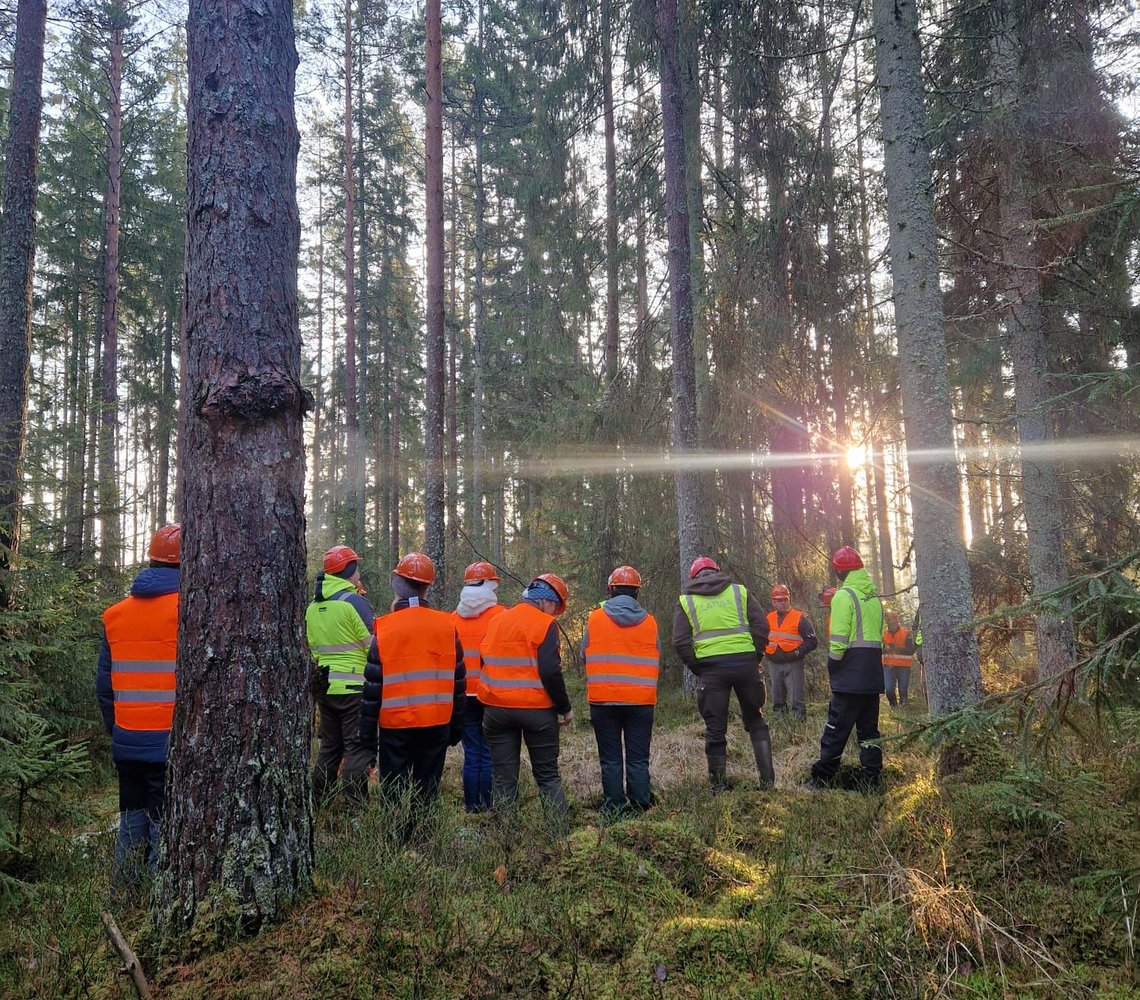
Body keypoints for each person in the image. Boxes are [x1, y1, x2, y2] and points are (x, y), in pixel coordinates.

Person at [97, 523, 181, 882]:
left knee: (131, 821)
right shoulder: (190, 610)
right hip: (170, 745)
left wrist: (117, 731)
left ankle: (125, 896)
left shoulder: (115, 615)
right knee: (164, 826)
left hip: (127, 741)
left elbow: (104, 688)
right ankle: (155, 899)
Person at [358, 553, 465, 812]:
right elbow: (459, 683)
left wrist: (368, 737)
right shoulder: (447, 626)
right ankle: (425, 843)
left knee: (394, 792)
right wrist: (456, 728)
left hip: (396, 726)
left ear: (396, 587)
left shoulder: (384, 628)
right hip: (436, 723)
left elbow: (372, 690)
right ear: (428, 587)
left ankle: (395, 844)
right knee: (427, 791)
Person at [673, 556, 775, 791]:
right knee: (756, 720)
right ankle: (768, 783)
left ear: (694, 577)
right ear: (717, 571)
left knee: (715, 728)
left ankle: (718, 787)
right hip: (745, 664)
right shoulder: (740, 592)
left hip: (711, 671)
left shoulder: (686, 601)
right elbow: (761, 626)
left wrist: (698, 668)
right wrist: (754, 656)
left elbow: (680, 641)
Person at [478, 573, 573, 817]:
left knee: (503, 779)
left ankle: (505, 840)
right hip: (537, 712)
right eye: (555, 607)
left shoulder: (497, 621)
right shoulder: (544, 624)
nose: (554, 614)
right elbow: (551, 671)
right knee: (548, 777)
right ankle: (558, 838)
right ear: (545, 601)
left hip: (496, 711)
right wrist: (564, 707)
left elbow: (484, 660)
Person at [582, 566, 660, 813]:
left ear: (611, 589)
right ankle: (640, 804)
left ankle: (614, 805)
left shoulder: (595, 619)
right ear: (637, 592)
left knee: (611, 758)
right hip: (640, 701)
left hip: (603, 701)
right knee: (638, 757)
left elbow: (584, 654)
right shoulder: (650, 622)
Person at [809, 546, 885, 793]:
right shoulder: (873, 597)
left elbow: (839, 640)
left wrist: (832, 663)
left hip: (850, 672)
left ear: (839, 571)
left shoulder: (843, 597)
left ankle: (822, 779)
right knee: (869, 732)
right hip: (872, 672)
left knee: (836, 729)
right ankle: (872, 781)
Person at [306, 544, 375, 809]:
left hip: (326, 689)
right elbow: (373, 647)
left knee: (329, 749)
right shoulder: (354, 603)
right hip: (354, 687)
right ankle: (356, 807)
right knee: (357, 747)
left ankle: (319, 804)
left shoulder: (313, 607)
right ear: (350, 570)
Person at [452, 560, 506, 813]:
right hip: (490, 693)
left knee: (472, 753)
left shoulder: (452, 619)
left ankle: (472, 807)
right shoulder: (501, 616)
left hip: (462, 695)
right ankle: (489, 805)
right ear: (489, 586)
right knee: (490, 753)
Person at [764, 584, 818, 722]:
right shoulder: (768, 618)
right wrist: (765, 652)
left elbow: (812, 641)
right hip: (774, 663)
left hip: (793, 663)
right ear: (773, 602)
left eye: (785, 599)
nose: (782, 602)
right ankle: (780, 724)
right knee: (777, 697)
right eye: (779, 600)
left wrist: (797, 653)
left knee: (796, 699)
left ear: (789, 599)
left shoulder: (799, 618)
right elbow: (761, 637)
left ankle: (798, 726)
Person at [882, 609, 916, 709]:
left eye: (893, 619)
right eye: (889, 620)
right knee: (888, 689)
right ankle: (894, 708)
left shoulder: (906, 633)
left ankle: (904, 710)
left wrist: (897, 648)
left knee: (902, 691)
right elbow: (880, 650)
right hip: (888, 666)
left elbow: (911, 650)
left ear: (897, 620)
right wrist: (885, 649)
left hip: (903, 666)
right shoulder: (884, 634)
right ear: (887, 622)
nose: (891, 622)